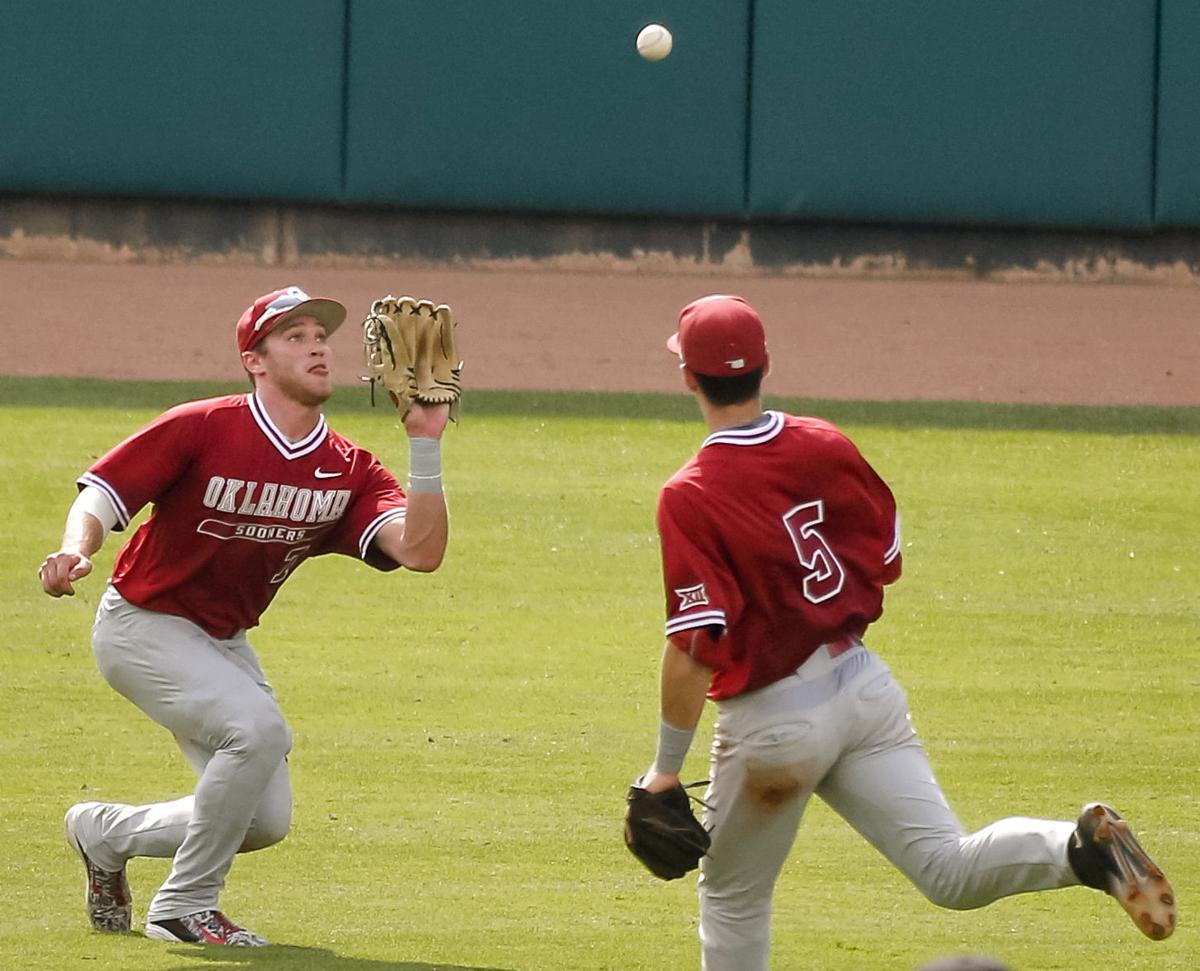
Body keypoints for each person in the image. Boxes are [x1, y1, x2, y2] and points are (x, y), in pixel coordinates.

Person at [634, 294, 1175, 970]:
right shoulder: (825, 443)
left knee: (734, 898)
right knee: (946, 867)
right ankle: (1076, 847)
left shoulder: (691, 491)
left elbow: (693, 645)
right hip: (862, 689)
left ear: (688, 376)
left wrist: (665, 768)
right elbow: (887, 558)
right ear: (764, 365)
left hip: (775, 722)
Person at [40, 286, 451, 947]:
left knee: (261, 817)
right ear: (254, 360)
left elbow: (421, 550)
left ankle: (104, 832)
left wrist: (426, 444)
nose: (317, 344)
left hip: (221, 641)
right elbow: (103, 492)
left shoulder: (349, 468)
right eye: (294, 336)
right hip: (141, 625)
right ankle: (184, 905)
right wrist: (73, 549)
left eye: (321, 334)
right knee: (257, 730)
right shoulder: (203, 426)